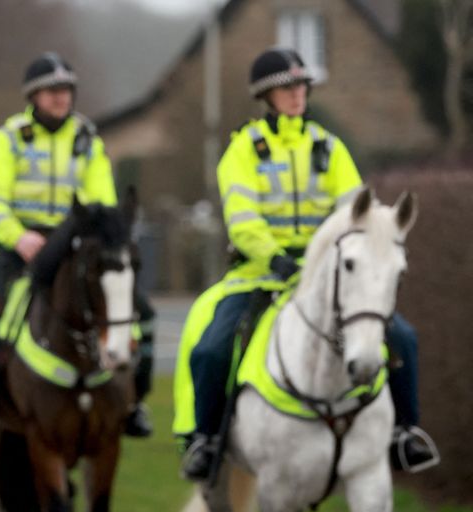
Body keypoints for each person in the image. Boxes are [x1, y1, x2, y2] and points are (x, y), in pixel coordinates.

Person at [179, 48, 438, 480]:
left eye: (301, 86)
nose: (297, 94)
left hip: (327, 275)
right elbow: (242, 222)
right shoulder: (242, 150)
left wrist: (336, 257)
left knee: (404, 338)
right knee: (212, 348)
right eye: (287, 87)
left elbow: (354, 212)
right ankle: (205, 440)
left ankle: (404, 434)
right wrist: (274, 257)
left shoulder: (330, 148)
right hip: (260, 273)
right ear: (267, 95)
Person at [0, 52, 155, 447]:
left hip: (73, 248)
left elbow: (101, 203)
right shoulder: (7, 139)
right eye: (52, 90)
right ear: (34, 96)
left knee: (141, 314)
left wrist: (86, 238)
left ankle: (135, 405)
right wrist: (18, 237)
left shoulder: (88, 140)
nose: (61, 97)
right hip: (21, 246)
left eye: (66, 90)